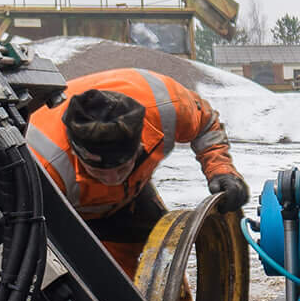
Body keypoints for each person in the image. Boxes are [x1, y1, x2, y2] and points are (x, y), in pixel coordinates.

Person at [26, 67, 248, 276]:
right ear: (77, 153)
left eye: (122, 167)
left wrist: (221, 170)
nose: (112, 179)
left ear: (140, 144)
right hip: (65, 212)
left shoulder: (167, 105)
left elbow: (206, 123)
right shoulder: (43, 164)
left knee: (161, 274)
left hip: (132, 193)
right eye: (98, 171)